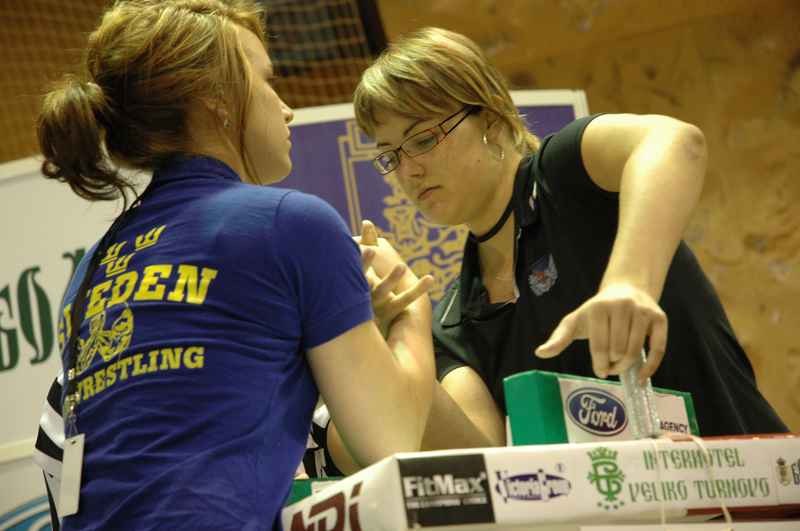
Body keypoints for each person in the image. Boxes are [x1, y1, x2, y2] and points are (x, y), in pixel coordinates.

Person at [32, 1, 434, 529]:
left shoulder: (92, 268)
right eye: (268, 81)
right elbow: (391, 438)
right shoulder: (291, 223)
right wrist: (412, 311)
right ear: (215, 100)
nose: (286, 108)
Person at [349, 26, 788, 450]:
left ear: (490, 117)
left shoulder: (565, 174)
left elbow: (676, 141)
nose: (408, 171)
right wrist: (390, 333)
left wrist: (629, 282)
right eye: (390, 156)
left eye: (422, 139)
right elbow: (487, 458)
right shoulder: (453, 319)